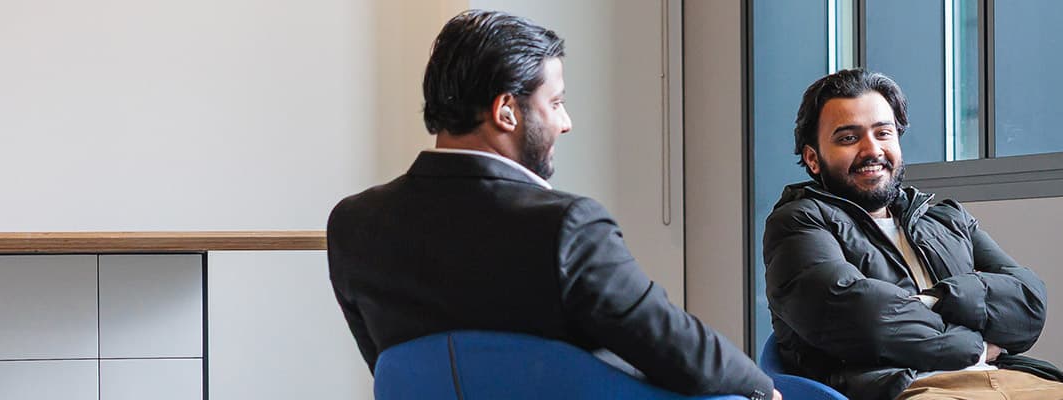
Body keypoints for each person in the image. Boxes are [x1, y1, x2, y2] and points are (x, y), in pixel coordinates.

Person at [326, 10, 776, 399]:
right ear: (507, 111)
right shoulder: (565, 226)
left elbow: (397, 371)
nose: (566, 123)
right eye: (555, 102)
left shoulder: (354, 224)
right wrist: (760, 388)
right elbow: (676, 347)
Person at [762, 69, 1063, 400]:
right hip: (902, 388)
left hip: (1004, 378)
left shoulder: (945, 218)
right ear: (813, 158)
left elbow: (1028, 304)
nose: (872, 150)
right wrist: (977, 345)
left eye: (883, 133)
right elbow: (861, 318)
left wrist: (936, 299)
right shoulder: (798, 222)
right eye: (849, 138)